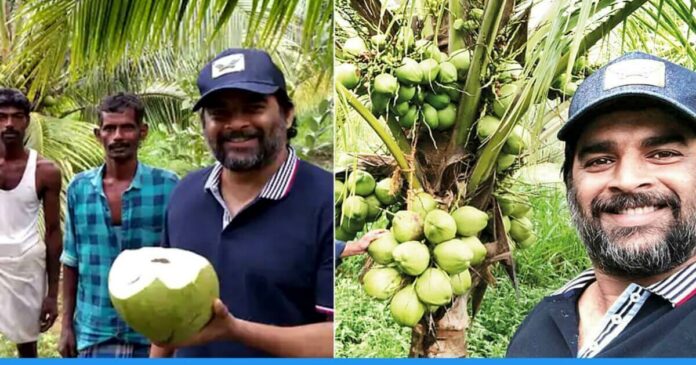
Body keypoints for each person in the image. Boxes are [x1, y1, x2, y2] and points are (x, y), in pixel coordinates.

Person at [507, 52, 696, 357]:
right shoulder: (542, 324)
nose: (628, 179)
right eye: (601, 160)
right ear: (570, 183)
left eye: (663, 154)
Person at [149, 48, 334, 358]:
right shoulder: (185, 194)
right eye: (220, 113)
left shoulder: (327, 199)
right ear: (204, 124)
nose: (236, 124)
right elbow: (169, 312)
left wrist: (235, 330)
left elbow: (335, 341)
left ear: (287, 114)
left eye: (253, 107)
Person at [58, 93, 179, 358]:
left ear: (142, 132)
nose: (117, 136)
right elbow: (71, 260)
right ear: (97, 134)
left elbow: (180, 260)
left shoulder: (169, 187)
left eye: (126, 127)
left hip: (151, 332)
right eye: (109, 128)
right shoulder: (80, 188)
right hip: (94, 330)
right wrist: (66, 325)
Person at [0, 88, 62, 358]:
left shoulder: (44, 170)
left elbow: (52, 232)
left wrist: (52, 293)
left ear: (27, 120)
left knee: (27, 348)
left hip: (25, 264)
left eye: (16, 117)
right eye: (1, 117)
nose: (9, 124)